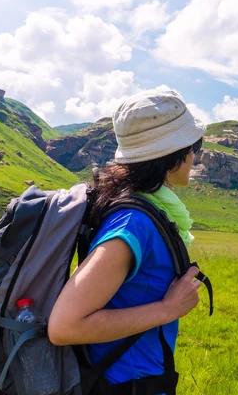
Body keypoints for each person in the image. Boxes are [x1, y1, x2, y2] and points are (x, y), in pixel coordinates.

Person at [48, 89, 206, 394]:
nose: (194, 156)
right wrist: (168, 309)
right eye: (191, 146)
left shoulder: (143, 210)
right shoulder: (134, 224)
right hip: (126, 386)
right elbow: (64, 326)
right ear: (173, 154)